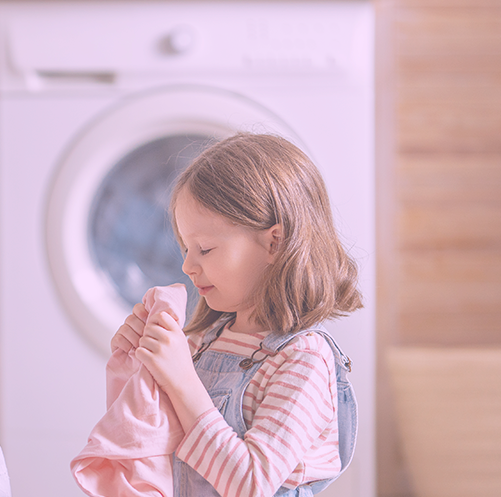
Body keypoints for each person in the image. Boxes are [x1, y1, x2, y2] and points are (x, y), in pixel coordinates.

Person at [110, 133, 361, 496]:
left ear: (274, 243)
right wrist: (139, 367)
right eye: (185, 247)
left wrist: (181, 380)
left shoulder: (301, 361)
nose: (187, 265)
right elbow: (150, 450)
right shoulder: (202, 343)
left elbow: (252, 483)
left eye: (205, 249)